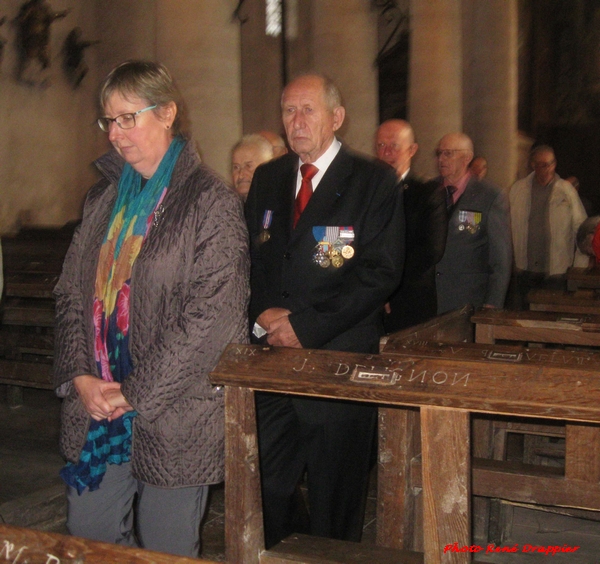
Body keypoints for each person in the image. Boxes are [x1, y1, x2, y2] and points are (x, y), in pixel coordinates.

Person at [53, 60, 249, 558]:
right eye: (108, 121)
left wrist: (134, 392)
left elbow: (212, 318)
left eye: (128, 118)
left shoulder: (210, 201)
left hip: (174, 412)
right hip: (98, 406)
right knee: (89, 533)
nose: (116, 134)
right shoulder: (102, 201)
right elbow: (72, 294)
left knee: (166, 546)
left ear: (167, 113)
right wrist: (80, 374)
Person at [245, 73, 404, 548]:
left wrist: (306, 327)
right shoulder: (269, 178)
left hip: (338, 360)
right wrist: (262, 316)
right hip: (272, 359)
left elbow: (380, 272)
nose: (296, 121)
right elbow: (248, 259)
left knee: (336, 496)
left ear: (336, 118)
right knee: (269, 484)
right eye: (288, 110)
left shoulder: (372, 180)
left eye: (307, 110)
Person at [375, 119, 447, 332]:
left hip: (409, 301)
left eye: (394, 145)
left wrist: (388, 290)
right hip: (370, 300)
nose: (387, 152)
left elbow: (430, 251)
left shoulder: (427, 192)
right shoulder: (366, 191)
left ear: (412, 150)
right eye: (381, 145)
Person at [434, 132, 512, 313]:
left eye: (448, 153)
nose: (441, 159)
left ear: (467, 157)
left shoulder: (489, 196)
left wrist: (492, 303)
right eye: (439, 153)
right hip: (430, 298)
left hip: (468, 300)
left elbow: (501, 258)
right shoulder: (429, 190)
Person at [508, 145, 587, 308]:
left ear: (555, 164)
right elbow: (507, 225)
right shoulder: (518, 190)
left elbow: (580, 228)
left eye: (550, 164)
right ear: (533, 165)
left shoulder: (566, 191)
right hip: (525, 269)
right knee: (522, 317)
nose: (547, 169)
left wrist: (580, 265)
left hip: (556, 270)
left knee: (550, 317)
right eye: (542, 165)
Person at [231, 133, 273, 201]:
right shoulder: (224, 206)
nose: (241, 175)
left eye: (248, 166)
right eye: (236, 167)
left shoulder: (282, 204)